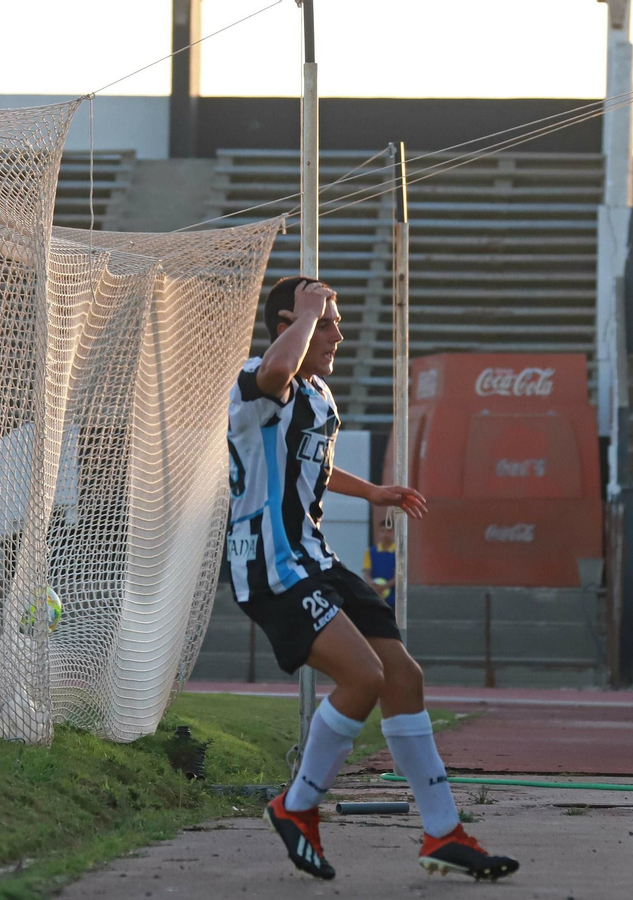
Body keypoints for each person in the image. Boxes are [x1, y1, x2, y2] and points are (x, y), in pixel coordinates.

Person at [225, 276, 519, 881]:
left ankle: (441, 831)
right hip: (270, 564)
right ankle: (297, 806)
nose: (338, 333)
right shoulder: (259, 378)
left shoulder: (319, 396)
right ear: (289, 325)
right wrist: (306, 311)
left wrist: (374, 490)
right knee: (363, 676)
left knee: (403, 676)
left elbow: (316, 465)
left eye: (334, 321)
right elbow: (275, 377)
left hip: (315, 557)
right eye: (326, 322)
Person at [362, 526, 397, 608]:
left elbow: (399, 576)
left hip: (393, 598)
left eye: (389, 531)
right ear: (378, 533)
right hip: (375, 596)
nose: (385, 534)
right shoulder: (370, 552)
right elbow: (366, 572)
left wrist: (384, 587)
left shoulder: (398, 552)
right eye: (382, 531)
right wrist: (373, 585)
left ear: (394, 532)